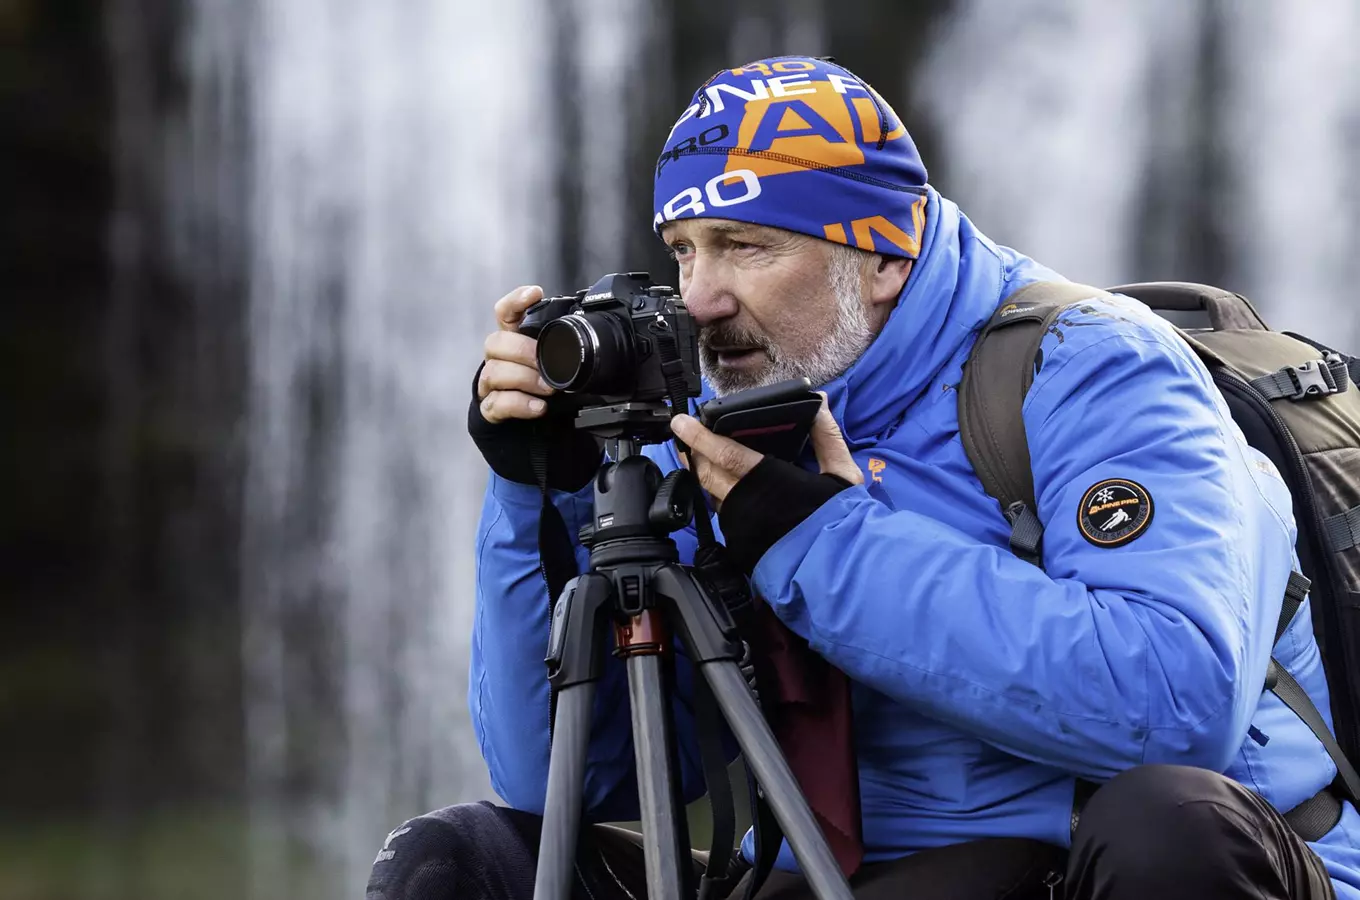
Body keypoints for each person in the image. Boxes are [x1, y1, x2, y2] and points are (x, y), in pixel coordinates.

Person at [368, 56, 1360, 899]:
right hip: (844, 871)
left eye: (743, 246)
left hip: (1088, 865)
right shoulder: (720, 406)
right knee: (459, 860)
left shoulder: (1095, 368)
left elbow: (1169, 705)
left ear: (882, 257)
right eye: (682, 251)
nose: (700, 298)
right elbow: (570, 788)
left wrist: (819, 541)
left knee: (1165, 827)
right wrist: (537, 493)